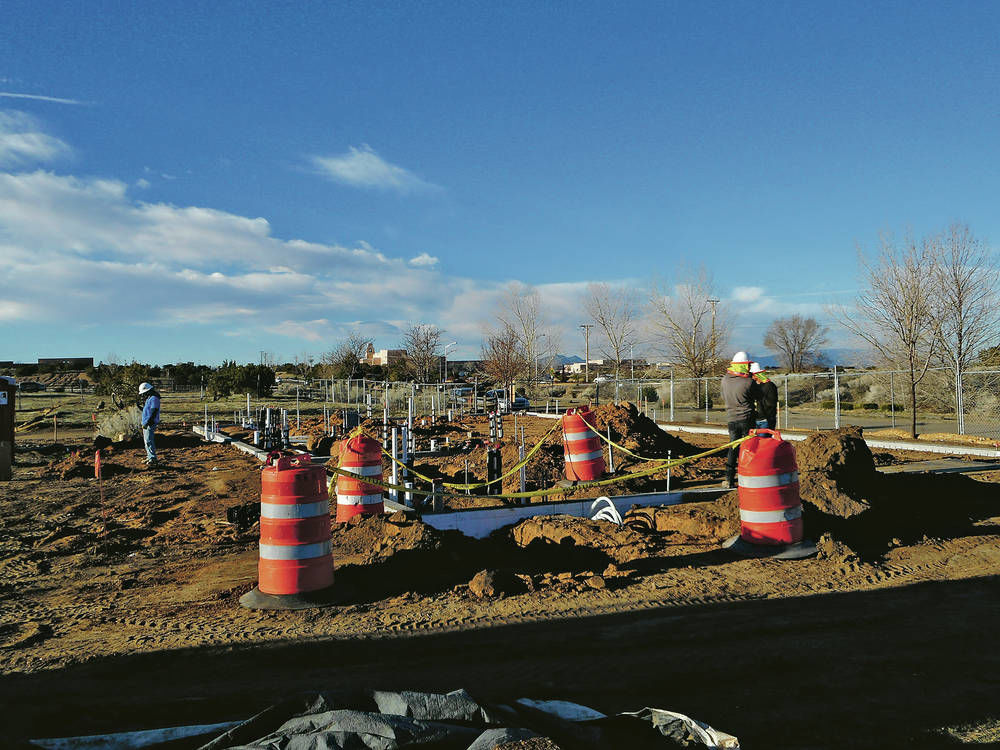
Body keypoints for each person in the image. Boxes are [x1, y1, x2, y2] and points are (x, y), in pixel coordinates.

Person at [721, 351, 755, 488]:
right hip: (747, 418)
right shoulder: (749, 382)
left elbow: (723, 396)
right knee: (749, 449)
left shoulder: (724, 380)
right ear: (742, 366)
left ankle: (729, 478)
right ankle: (748, 477)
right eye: (747, 365)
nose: (748, 368)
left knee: (733, 448)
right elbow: (756, 397)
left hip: (731, 419)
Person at [750, 362, 778, 430]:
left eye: (752, 375)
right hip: (756, 420)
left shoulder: (769, 386)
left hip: (766, 420)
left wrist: (759, 399)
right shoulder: (755, 386)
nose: (751, 377)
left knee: (764, 440)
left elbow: (771, 403)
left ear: (756, 375)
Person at [139, 382, 161, 467]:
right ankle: (149, 456)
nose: (143, 395)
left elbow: (153, 412)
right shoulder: (150, 398)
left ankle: (152, 458)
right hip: (146, 423)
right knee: (146, 441)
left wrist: (148, 423)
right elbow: (147, 411)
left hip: (149, 423)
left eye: (144, 393)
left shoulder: (154, 398)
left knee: (149, 440)